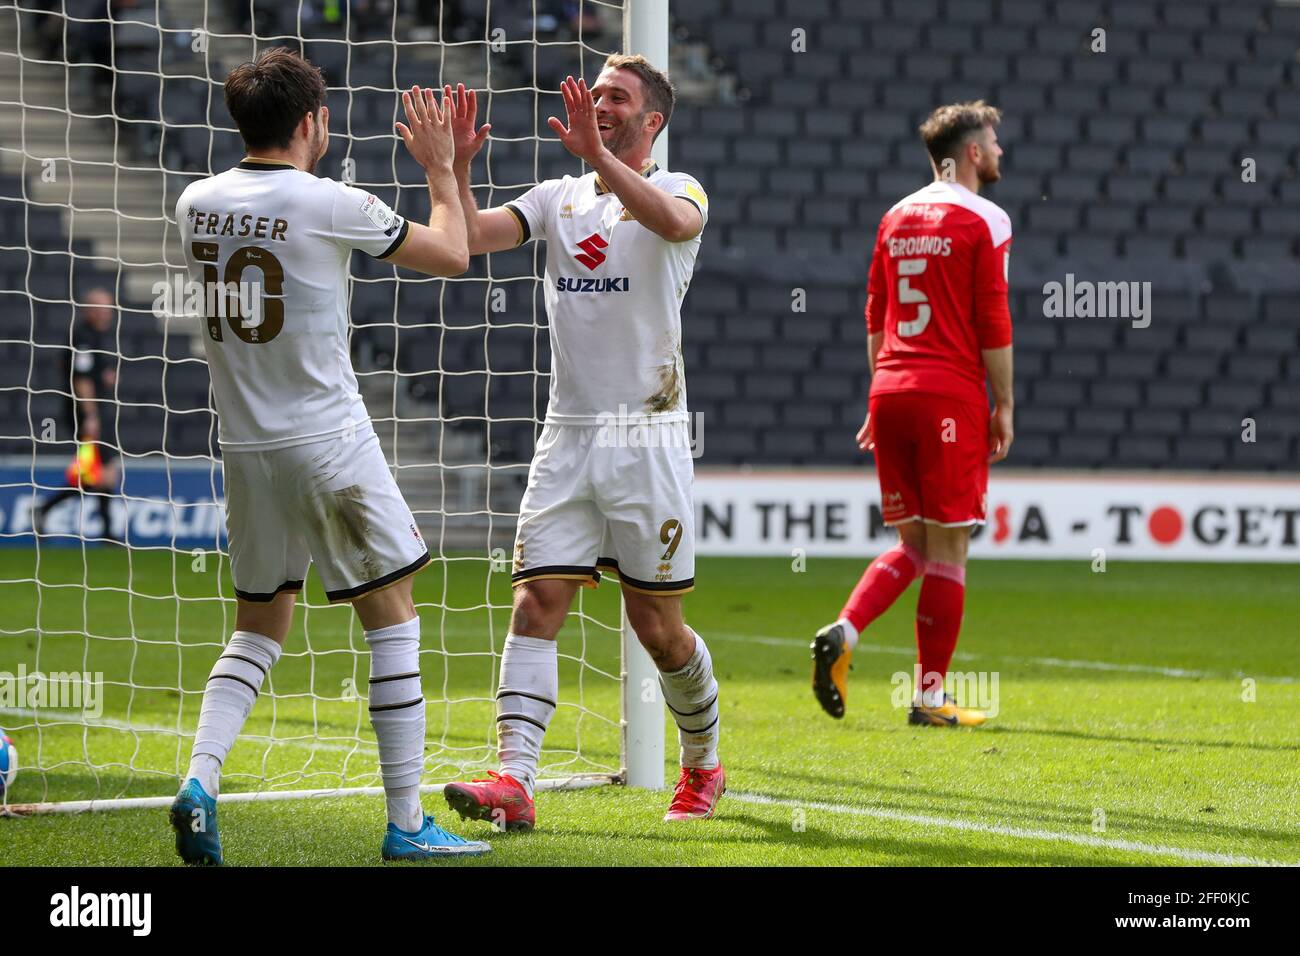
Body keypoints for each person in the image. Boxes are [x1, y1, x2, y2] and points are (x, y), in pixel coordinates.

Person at [169, 47, 486, 863]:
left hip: (243, 448)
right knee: (394, 615)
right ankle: (408, 823)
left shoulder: (194, 201)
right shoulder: (330, 202)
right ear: (312, 123)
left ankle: (200, 782)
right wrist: (443, 169)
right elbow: (453, 254)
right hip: (327, 442)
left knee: (257, 627)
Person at [437, 57, 723, 831]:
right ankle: (515, 779)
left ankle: (703, 765)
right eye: (595, 94)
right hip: (567, 436)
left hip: (647, 434)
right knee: (534, 605)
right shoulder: (556, 197)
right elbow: (469, 239)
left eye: (616, 98)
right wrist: (455, 171)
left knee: (658, 633)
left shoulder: (680, 187)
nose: (599, 104)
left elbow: (675, 226)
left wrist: (600, 159)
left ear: (652, 120)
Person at [811, 101, 1015, 728]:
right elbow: (993, 320)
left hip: (892, 389)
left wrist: (882, 390)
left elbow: (876, 315)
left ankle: (846, 629)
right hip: (948, 393)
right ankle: (930, 697)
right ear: (973, 153)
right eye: (995, 142)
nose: (1001, 152)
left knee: (914, 544)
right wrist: (1003, 402)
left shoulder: (895, 216)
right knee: (950, 547)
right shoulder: (987, 218)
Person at [33, 286, 121, 542]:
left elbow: (76, 368)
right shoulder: (83, 337)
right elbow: (80, 379)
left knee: (101, 472)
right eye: (104, 307)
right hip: (86, 416)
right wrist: (90, 416)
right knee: (95, 473)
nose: (109, 313)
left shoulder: (94, 336)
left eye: (110, 307)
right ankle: (48, 510)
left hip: (93, 414)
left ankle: (105, 532)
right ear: (91, 309)